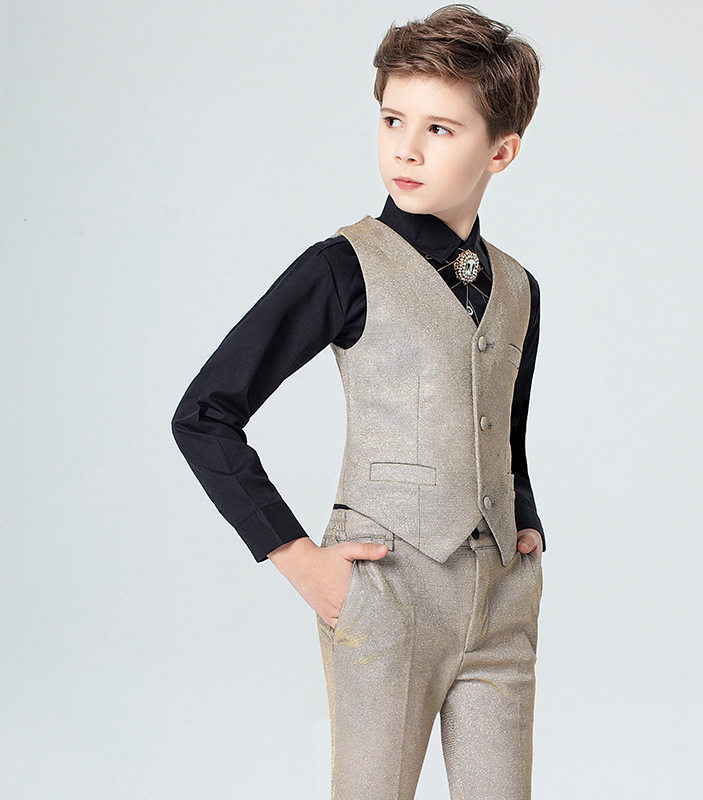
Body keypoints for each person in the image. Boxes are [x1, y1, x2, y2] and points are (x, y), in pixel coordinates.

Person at [172, 4, 547, 798]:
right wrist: (299, 560)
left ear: (501, 151)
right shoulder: (342, 266)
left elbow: (502, 426)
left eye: (440, 128)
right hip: (387, 591)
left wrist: (526, 522)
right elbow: (204, 414)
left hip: (501, 601)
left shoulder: (518, 286)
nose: (405, 148)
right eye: (392, 119)